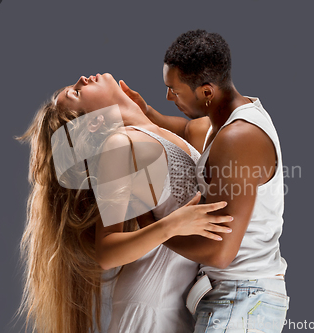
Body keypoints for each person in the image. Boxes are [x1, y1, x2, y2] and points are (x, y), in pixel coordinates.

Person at [16, 72, 234, 333]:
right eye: (76, 92)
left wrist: (145, 111)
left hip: (179, 304)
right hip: (149, 309)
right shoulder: (120, 145)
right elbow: (107, 252)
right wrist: (171, 226)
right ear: (95, 122)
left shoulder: (156, 132)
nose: (82, 79)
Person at [120, 29, 289, 332]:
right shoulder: (225, 120)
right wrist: (145, 112)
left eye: (175, 90)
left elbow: (220, 253)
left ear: (207, 92)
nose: (168, 97)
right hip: (240, 297)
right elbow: (187, 130)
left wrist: (152, 226)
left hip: (241, 299)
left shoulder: (239, 138)